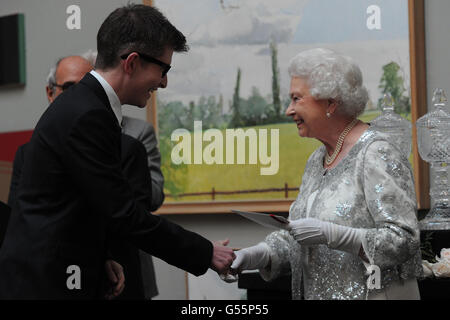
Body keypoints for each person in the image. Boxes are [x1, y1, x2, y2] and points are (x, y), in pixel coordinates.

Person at [0, 4, 235, 299]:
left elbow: (81, 205)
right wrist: (206, 252)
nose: (163, 82)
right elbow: (124, 213)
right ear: (132, 62)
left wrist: (103, 256)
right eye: (163, 69)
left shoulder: (88, 105)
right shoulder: (88, 114)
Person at [226, 48, 422, 300]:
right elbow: (302, 236)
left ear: (330, 102)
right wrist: (255, 255)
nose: (288, 110)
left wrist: (335, 235)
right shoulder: (317, 160)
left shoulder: (377, 152)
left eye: (297, 99)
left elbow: (404, 239)